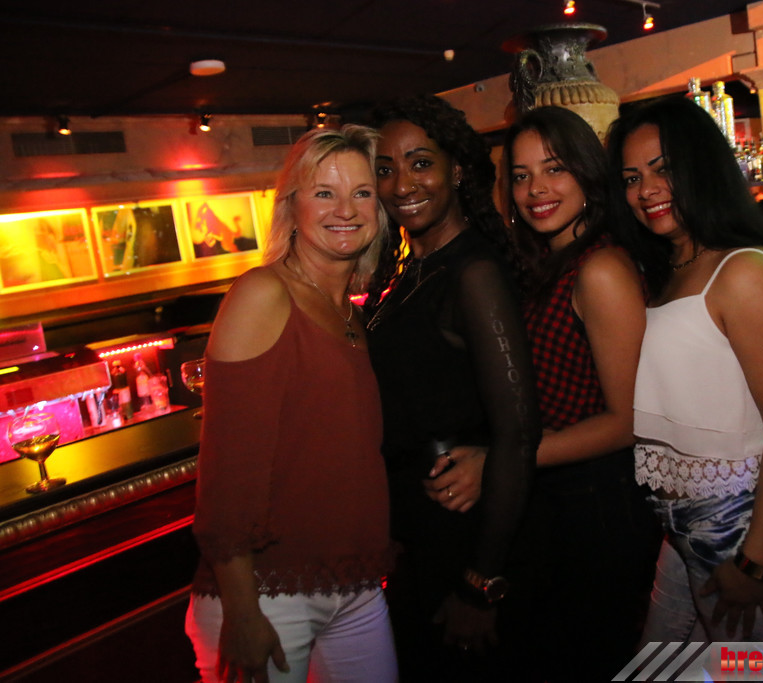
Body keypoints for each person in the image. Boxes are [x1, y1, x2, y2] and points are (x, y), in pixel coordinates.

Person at [607, 93, 763, 646]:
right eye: (631, 178)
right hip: (685, 529)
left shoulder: (744, 270)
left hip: (750, 529)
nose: (646, 190)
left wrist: (755, 561)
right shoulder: (670, 266)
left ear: (701, 166)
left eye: (663, 168)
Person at [185, 126, 398, 683]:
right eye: (324, 192)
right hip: (267, 595)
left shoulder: (352, 313)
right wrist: (242, 611)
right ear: (292, 207)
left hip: (354, 585)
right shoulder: (263, 293)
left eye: (361, 192)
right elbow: (228, 470)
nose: (345, 209)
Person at [365, 94, 540, 681]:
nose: (401, 184)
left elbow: (517, 433)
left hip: (462, 533)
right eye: (385, 169)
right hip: (422, 528)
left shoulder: (474, 272)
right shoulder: (414, 269)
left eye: (420, 163)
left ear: (457, 170)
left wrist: (481, 583)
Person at [502, 106, 661, 680]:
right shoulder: (548, 262)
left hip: (600, 502)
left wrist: (503, 459)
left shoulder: (600, 268)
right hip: (561, 497)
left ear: (588, 174)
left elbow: (630, 420)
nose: (536, 189)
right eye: (521, 176)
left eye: (554, 169)